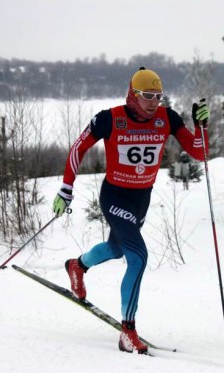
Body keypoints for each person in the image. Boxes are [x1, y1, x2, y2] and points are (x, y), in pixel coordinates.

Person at [52, 67, 210, 354]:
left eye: (158, 96)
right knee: (137, 257)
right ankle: (128, 331)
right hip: (114, 196)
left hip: (141, 199)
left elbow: (199, 152)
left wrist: (201, 127)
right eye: (147, 96)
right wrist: (66, 188)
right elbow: (78, 147)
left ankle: (78, 265)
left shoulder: (167, 118)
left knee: (116, 249)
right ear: (133, 94)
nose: (153, 102)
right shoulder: (110, 119)